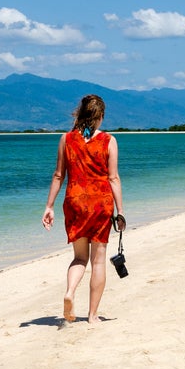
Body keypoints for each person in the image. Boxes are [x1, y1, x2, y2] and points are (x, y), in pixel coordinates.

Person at [42, 94, 125, 324]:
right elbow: (114, 178)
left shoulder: (66, 139)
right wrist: (120, 211)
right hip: (100, 204)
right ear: (100, 117)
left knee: (79, 258)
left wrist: (49, 206)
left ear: (80, 113)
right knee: (98, 261)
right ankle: (92, 315)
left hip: (75, 202)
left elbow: (59, 175)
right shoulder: (109, 141)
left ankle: (70, 292)